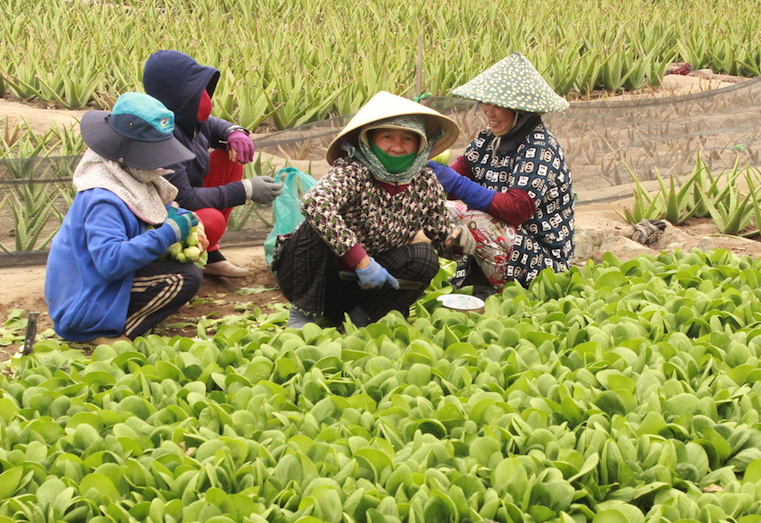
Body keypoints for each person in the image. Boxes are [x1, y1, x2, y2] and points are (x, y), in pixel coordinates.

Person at [273, 91, 475, 329]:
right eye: (387, 136)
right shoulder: (352, 170)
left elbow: (444, 239)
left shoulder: (424, 181)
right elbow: (315, 204)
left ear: (421, 143)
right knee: (314, 229)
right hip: (321, 278)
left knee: (424, 258)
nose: (397, 146)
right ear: (369, 140)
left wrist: (457, 240)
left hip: (368, 285)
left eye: (408, 139)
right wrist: (360, 260)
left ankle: (363, 318)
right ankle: (305, 313)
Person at [45, 92, 206, 345]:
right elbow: (111, 261)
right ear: (127, 152)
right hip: (84, 299)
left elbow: (159, 211)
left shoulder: (127, 176)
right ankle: (101, 333)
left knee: (185, 271)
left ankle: (112, 322)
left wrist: (186, 223)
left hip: (101, 284)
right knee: (183, 278)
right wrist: (169, 232)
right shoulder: (103, 198)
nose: (161, 163)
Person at [426, 52, 575, 296]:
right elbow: (457, 177)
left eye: (498, 105)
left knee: (475, 218)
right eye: (486, 102)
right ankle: (474, 280)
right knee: (436, 207)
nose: (488, 110)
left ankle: (502, 291)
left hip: (541, 260)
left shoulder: (540, 148)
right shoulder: (488, 139)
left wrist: (457, 184)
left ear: (520, 110)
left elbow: (517, 208)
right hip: (503, 240)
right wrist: (428, 177)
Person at [142, 49, 283, 278]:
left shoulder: (183, 115)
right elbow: (183, 198)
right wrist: (246, 189)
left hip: (184, 199)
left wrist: (234, 132)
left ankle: (211, 253)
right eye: (193, 89)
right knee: (211, 220)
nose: (203, 96)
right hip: (163, 215)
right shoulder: (161, 135)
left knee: (230, 161)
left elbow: (213, 124)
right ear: (176, 92)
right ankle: (182, 264)